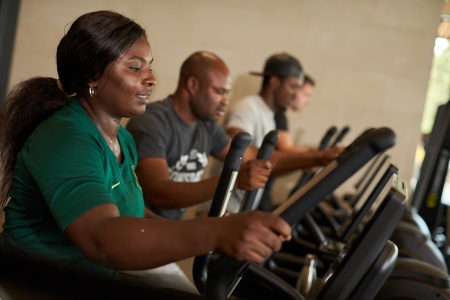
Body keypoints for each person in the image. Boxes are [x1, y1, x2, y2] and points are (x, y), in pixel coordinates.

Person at [0, 11, 293, 294]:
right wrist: (214, 234)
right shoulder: (65, 137)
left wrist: (203, 227)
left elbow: (133, 211)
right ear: (92, 75)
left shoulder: (123, 140)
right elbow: (102, 239)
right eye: (135, 67)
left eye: (150, 66)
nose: (151, 78)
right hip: (29, 286)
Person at [126, 51, 342, 218]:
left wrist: (321, 157)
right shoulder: (152, 122)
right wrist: (234, 180)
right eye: (219, 92)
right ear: (192, 85)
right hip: (137, 232)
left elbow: (257, 158)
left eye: (227, 93)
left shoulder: (206, 126)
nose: (225, 101)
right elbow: (158, 192)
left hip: (168, 230)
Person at [224, 53, 340, 211]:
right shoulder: (247, 108)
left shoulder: (270, 116)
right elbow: (241, 154)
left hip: (241, 208)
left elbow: (266, 167)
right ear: (274, 82)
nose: (294, 94)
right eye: (292, 87)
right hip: (224, 209)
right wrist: (316, 157)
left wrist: (306, 161)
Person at [258, 74, 317, 211]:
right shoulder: (279, 116)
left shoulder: (282, 116)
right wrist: (319, 156)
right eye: (306, 94)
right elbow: (286, 149)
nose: (307, 101)